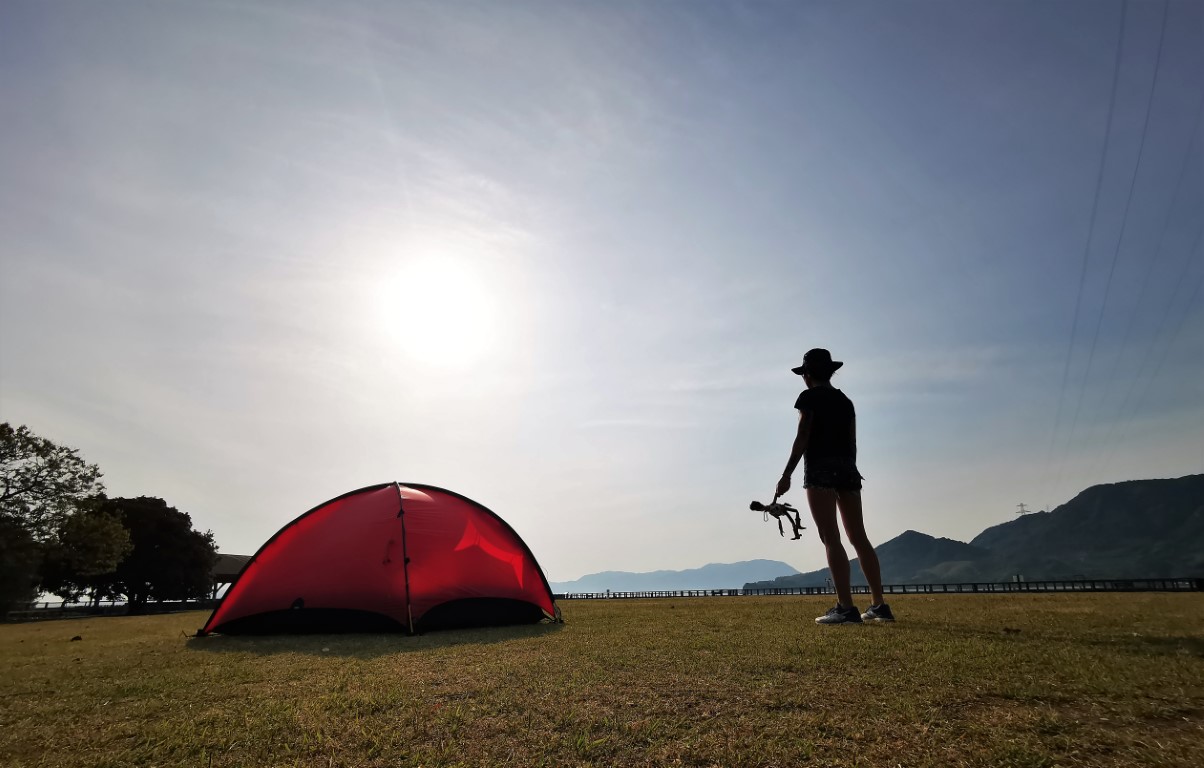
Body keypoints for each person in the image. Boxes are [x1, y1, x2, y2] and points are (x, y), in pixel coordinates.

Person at [774, 349, 895, 625]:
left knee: (831, 537)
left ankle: (845, 607)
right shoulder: (845, 401)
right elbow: (852, 440)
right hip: (848, 469)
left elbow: (803, 435)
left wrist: (787, 474)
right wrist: (848, 468)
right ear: (830, 372)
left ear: (806, 374)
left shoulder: (808, 398)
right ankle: (879, 606)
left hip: (819, 469)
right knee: (859, 537)